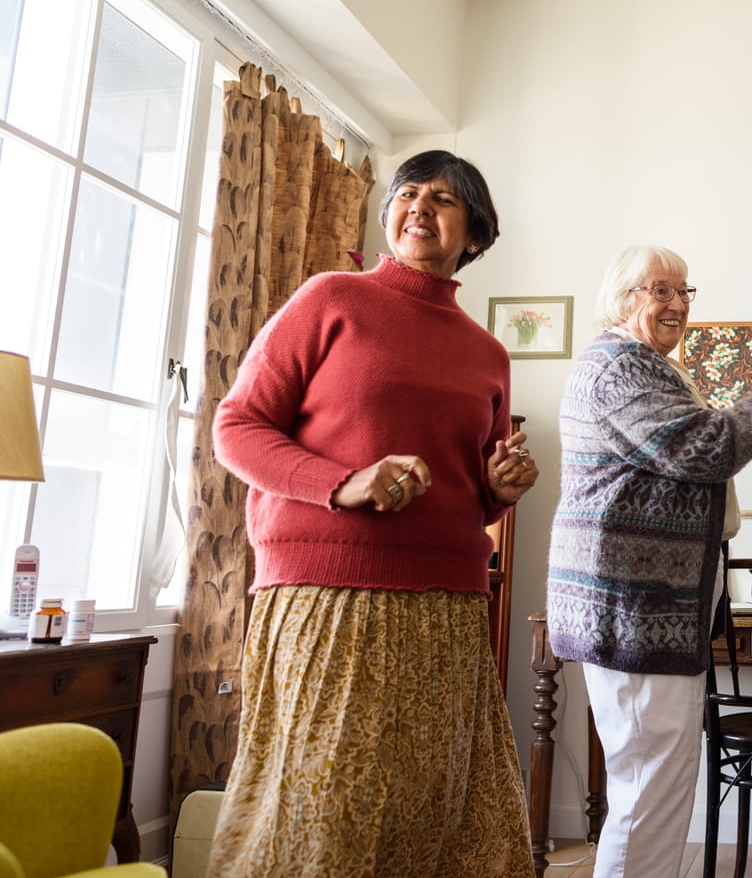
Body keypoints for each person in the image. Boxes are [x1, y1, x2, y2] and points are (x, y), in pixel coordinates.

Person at [208, 150, 539, 878]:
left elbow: (469, 482)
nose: (423, 205)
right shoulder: (330, 298)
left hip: (449, 603)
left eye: (446, 200)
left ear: (475, 236)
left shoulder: (487, 352)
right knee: (320, 810)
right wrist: (344, 483)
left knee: (442, 807)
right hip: (330, 598)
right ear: (389, 213)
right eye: (410, 192)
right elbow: (235, 428)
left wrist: (499, 488)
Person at [545, 244, 752, 878]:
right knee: (650, 791)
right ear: (625, 301)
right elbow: (701, 450)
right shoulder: (621, 367)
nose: (678, 303)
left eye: (685, 292)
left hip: (643, 608)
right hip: (635, 609)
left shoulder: (642, 364)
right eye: (660, 291)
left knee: (651, 786)